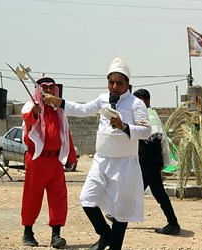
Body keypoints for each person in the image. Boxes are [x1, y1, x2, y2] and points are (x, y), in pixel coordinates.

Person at [44, 57, 151, 250]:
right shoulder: (102, 99)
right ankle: (106, 235)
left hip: (124, 164)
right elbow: (83, 109)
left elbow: (145, 131)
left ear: (127, 83)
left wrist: (124, 126)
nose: (115, 86)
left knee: (120, 210)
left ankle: (114, 245)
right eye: (111, 82)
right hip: (102, 161)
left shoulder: (136, 104)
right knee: (87, 199)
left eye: (119, 82)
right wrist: (59, 102)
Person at [21, 77, 77, 248]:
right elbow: (28, 120)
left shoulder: (59, 111)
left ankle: (56, 235)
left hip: (55, 160)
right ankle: (28, 233)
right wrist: (36, 112)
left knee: (58, 198)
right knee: (32, 197)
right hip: (37, 159)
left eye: (51, 88)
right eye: (44, 88)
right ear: (39, 90)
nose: (48, 91)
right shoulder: (31, 107)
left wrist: (71, 157)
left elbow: (65, 133)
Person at [130, 88, 181, 235]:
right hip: (147, 161)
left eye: (139, 101)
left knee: (158, 192)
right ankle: (118, 217)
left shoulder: (149, 116)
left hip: (150, 161)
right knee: (137, 190)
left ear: (147, 101)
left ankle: (173, 223)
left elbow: (151, 140)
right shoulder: (144, 115)